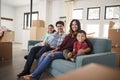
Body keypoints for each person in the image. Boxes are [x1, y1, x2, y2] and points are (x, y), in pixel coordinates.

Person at [22, 19, 93, 80]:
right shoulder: (68, 35)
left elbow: (90, 47)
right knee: (44, 55)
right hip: (60, 50)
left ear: (78, 25)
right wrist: (53, 50)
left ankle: (32, 75)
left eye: (76, 24)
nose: (74, 26)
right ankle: (36, 77)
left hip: (66, 53)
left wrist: (83, 50)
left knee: (49, 56)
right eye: (72, 24)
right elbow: (61, 45)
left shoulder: (80, 35)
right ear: (71, 26)